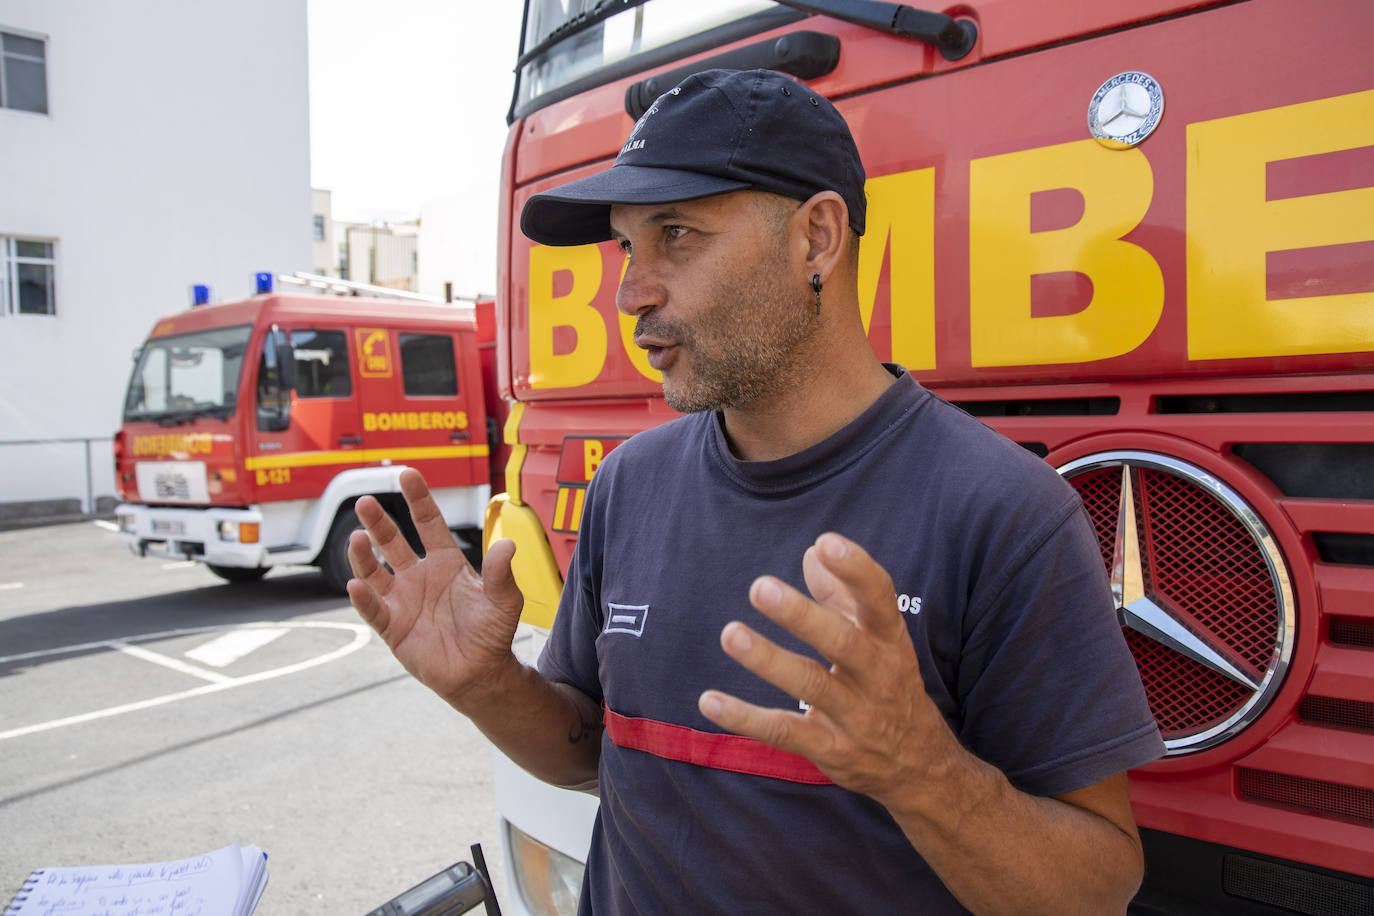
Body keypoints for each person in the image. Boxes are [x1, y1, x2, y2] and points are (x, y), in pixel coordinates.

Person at [347, 68, 1164, 914]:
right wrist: (487, 686)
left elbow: (1099, 887)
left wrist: (922, 774)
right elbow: (587, 752)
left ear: (816, 238)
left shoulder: (1001, 512)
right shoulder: (629, 483)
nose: (631, 292)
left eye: (677, 235)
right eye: (628, 246)